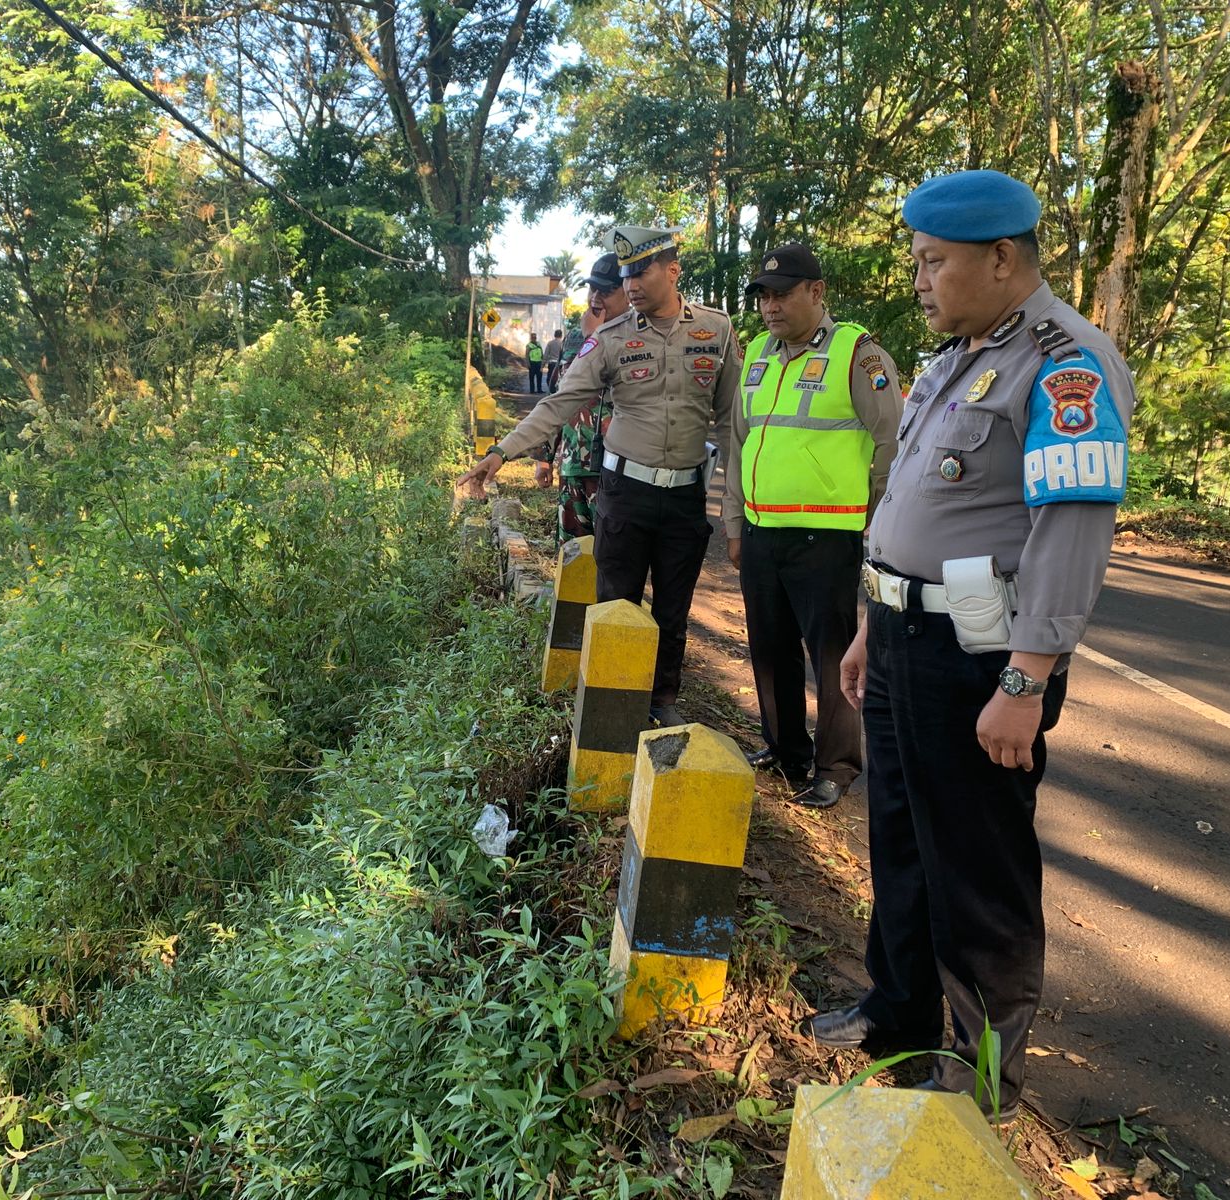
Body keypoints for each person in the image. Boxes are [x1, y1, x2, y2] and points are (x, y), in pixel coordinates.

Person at [807, 170, 1135, 1125]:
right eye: (917, 260)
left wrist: (1027, 679)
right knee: (901, 839)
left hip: (982, 657)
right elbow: (910, 504)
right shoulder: (956, 354)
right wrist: (870, 623)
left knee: (978, 865)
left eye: (934, 261)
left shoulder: (1064, 360)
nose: (919, 278)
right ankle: (896, 1015)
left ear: (1002, 259)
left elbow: (1070, 529)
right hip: (904, 634)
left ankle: (980, 1069)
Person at [459, 228, 740, 726]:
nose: (630, 283)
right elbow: (559, 404)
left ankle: (662, 702)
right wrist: (502, 453)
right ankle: (613, 713)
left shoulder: (716, 332)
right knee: (616, 605)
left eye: (641, 271)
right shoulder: (610, 339)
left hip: (685, 497)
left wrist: (734, 516)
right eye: (626, 274)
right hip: (625, 493)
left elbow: (731, 425)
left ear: (672, 271)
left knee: (674, 611)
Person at [721, 244, 900, 809]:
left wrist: (875, 517)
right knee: (770, 648)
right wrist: (732, 520)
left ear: (816, 293)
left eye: (783, 294)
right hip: (760, 531)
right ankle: (785, 748)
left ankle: (837, 765)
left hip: (826, 537)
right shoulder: (756, 354)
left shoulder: (858, 354)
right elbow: (738, 441)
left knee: (832, 655)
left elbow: (893, 442)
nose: (770, 307)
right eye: (763, 297)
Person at [535, 255, 631, 542]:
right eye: (593, 290)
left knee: (614, 559)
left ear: (628, 290)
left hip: (615, 471)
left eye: (607, 291)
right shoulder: (575, 338)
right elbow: (558, 398)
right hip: (572, 464)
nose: (596, 298)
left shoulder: (640, 337)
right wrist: (544, 457)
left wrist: (598, 338)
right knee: (572, 557)